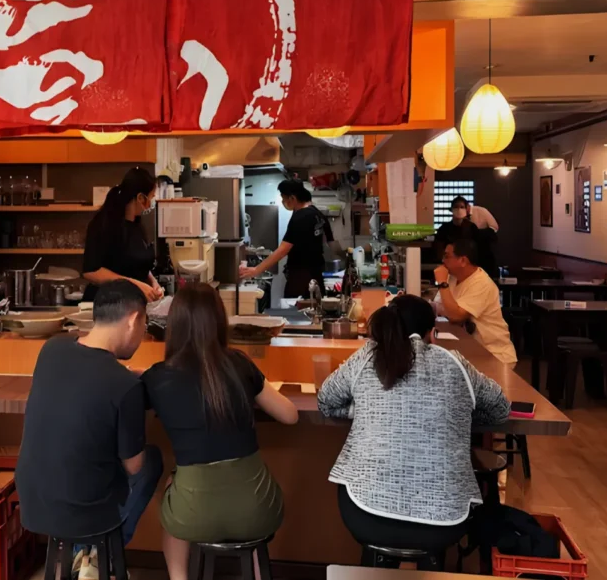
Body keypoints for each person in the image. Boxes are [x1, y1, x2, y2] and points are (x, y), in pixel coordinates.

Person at [317, 295, 510, 570]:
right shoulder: (454, 363)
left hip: (366, 514)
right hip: (445, 521)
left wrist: (356, 410)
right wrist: (458, 412)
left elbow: (326, 400)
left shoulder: (367, 357)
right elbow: (500, 409)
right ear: (432, 333)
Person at [143, 284, 298, 580]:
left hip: (193, 515)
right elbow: (289, 416)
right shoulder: (238, 363)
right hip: (258, 510)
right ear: (219, 321)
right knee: (246, 501)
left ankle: (179, 578)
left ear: (173, 325)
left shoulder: (157, 377)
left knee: (172, 491)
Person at [16, 280, 163, 556]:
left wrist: (128, 374)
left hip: (33, 502)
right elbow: (134, 467)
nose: (143, 333)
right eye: (144, 325)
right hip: (82, 514)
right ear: (133, 320)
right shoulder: (124, 387)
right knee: (150, 461)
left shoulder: (52, 350)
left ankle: (84, 557)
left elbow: (90, 375)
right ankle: (94, 554)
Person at [239, 179, 341, 298]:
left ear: (292, 198)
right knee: (314, 310)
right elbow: (333, 245)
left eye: (283, 198)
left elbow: (283, 249)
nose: (283, 202)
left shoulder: (300, 217)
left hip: (300, 279)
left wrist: (256, 270)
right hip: (316, 277)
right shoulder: (319, 214)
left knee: (295, 312)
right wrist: (347, 255)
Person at [82, 167, 164, 303]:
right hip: (107, 305)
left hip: (132, 304)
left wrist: (153, 283)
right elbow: (91, 271)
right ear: (140, 198)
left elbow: (137, 264)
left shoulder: (137, 225)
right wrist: (135, 284)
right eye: (151, 197)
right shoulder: (103, 224)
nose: (152, 202)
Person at [434, 238, 517, 364]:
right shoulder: (452, 278)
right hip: (468, 350)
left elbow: (456, 316)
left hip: (493, 354)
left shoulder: (481, 283)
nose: (443, 261)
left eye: (447, 257)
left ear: (463, 260)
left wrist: (442, 283)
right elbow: (438, 307)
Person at [434, 196, 498, 280]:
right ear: (451, 209)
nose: (459, 209)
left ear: (466, 209)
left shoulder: (472, 227)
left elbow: (477, 249)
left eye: (462, 207)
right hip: (450, 267)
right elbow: (439, 247)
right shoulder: (444, 228)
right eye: (456, 207)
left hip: (468, 267)